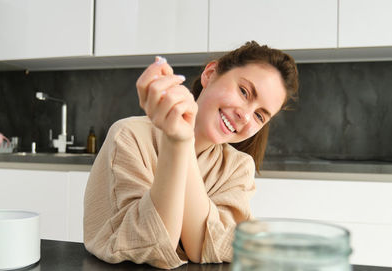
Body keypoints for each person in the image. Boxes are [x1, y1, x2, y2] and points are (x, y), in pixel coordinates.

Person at [83, 41, 299, 269]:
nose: (245, 116)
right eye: (244, 92)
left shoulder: (238, 166)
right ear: (210, 74)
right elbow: (149, 242)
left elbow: (209, 246)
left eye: (259, 116)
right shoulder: (129, 135)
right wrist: (176, 140)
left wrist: (182, 141)